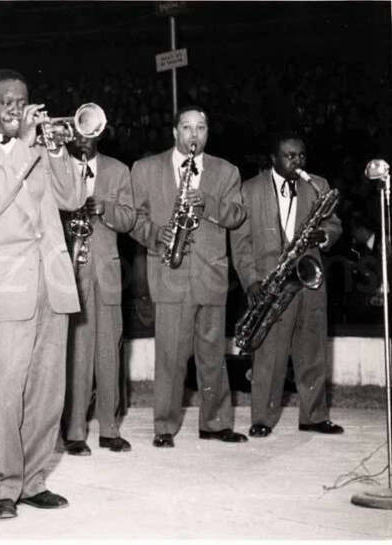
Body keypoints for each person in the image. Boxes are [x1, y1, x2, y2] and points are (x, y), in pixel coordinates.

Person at [0, 69, 85, 519]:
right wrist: (26, 144)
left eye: (21, 100)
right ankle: (2, 486)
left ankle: (34, 480)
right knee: (5, 390)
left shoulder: (39, 150)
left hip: (54, 282)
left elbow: (73, 197)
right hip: (6, 285)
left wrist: (59, 149)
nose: (15, 108)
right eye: (6, 101)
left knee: (49, 392)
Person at [129, 105, 248, 448]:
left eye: (201, 128)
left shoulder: (226, 171)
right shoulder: (146, 168)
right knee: (170, 355)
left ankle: (215, 422)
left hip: (210, 276)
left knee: (213, 354)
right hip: (169, 272)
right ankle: (164, 427)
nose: (194, 135)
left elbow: (237, 215)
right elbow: (133, 218)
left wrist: (207, 203)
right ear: (174, 132)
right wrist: (156, 233)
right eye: (187, 127)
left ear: (207, 132)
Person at [230, 133, 344, 438]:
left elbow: (334, 224)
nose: (297, 162)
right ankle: (262, 418)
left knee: (313, 351)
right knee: (268, 356)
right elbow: (240, 244)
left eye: (301, 156)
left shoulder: (316, 184)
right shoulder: (249, 189)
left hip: (310, 281)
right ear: (273, 159)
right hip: (270, 283)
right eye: (289, 156)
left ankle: (314, 416)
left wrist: (324, 236)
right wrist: (251, 280)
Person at [61, 114, 136, 456]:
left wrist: (104, 208)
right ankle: (74, 431)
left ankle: (110, 428)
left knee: (109, 352)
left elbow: (129, 219)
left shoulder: (119, 170)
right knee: (76, 354)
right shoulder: (55, 167)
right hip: (68, 273)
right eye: (78, 131)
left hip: (105, 273)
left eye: (90, 132)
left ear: (100, 133)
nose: (84, 138)